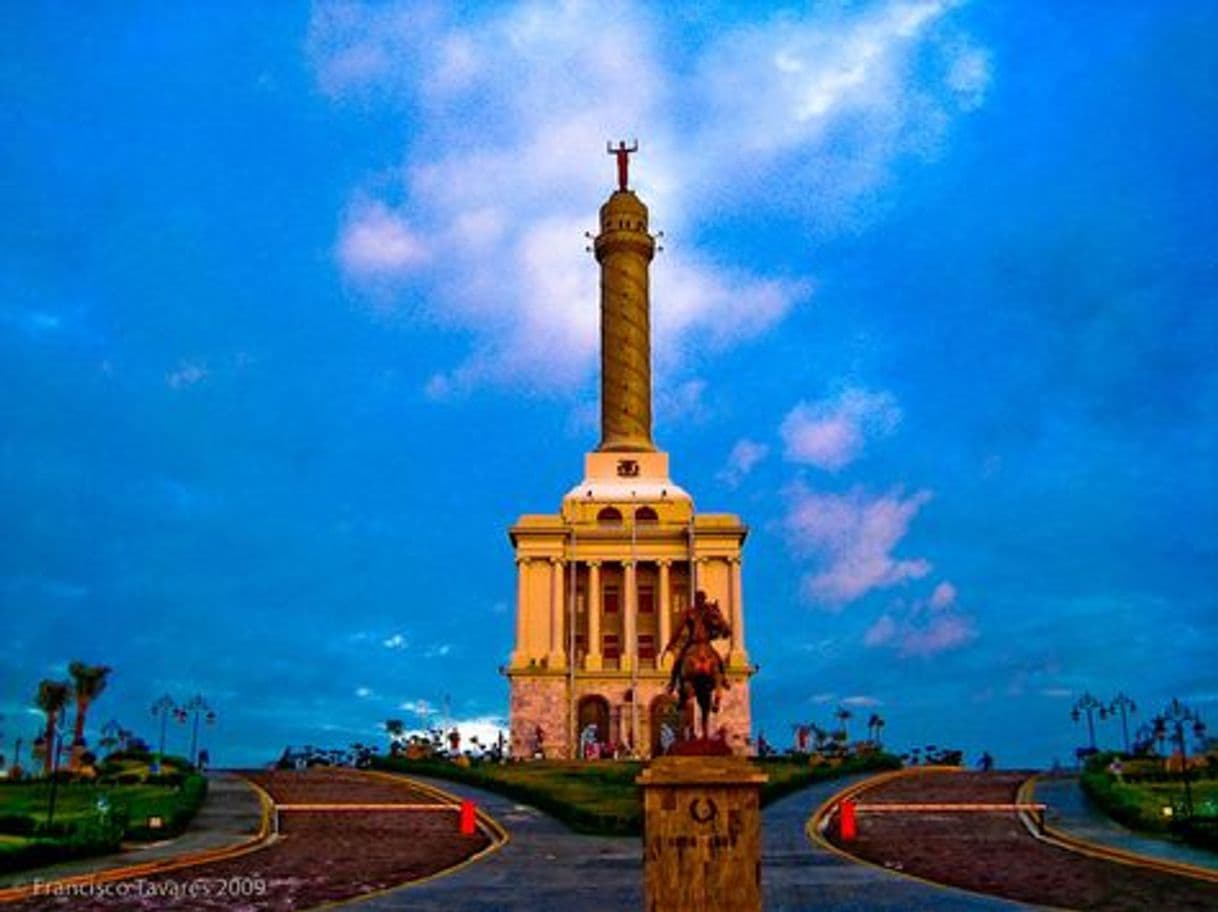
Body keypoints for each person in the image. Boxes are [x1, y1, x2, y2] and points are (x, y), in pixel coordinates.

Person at [663, 589, 731, 699]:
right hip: (692, 642)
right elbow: (679, 628)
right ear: (695, 600)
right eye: (699, 599)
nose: (701, 601)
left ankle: (724, 679)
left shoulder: (708, 610)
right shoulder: (689, 612)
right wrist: (672, 642)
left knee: (718, 659)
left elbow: (717, 621)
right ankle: (672, 683)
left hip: (705, 642)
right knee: (679, 660)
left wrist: (723, 630)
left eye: (702, 599)